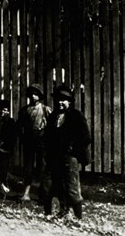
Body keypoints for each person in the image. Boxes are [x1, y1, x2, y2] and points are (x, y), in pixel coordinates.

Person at [43, 85, 91, 219]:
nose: (60, 102)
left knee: (72, 188)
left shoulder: (76, 116)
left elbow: (86, 138)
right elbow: (47, 136)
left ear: (69, 101)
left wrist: (73, 150)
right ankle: (49, 214)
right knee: (48, 186)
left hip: (70, 158)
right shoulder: (52, 117)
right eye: (58, 99)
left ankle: (78, 218)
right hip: (54, 157)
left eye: (64, 99)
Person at [17, 83, 51, 202]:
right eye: (31, 93)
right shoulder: (24, 110)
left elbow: (51, 128)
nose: (33, 96)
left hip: (42, 143)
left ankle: (43, 194)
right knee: (28, 168)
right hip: (29, 143)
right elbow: (19, 127)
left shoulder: (46, 110)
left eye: (36, 94)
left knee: (42, 167)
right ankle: (26, 193)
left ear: (40, 96)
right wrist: (23, 139)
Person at [0, 99, 17, 194]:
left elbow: (12, 137)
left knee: (4, 167)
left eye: (6, 110)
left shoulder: (11, 122)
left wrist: (5, 144)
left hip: (6, 148)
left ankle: (2, 182)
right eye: (2, 110)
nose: (4, 112)